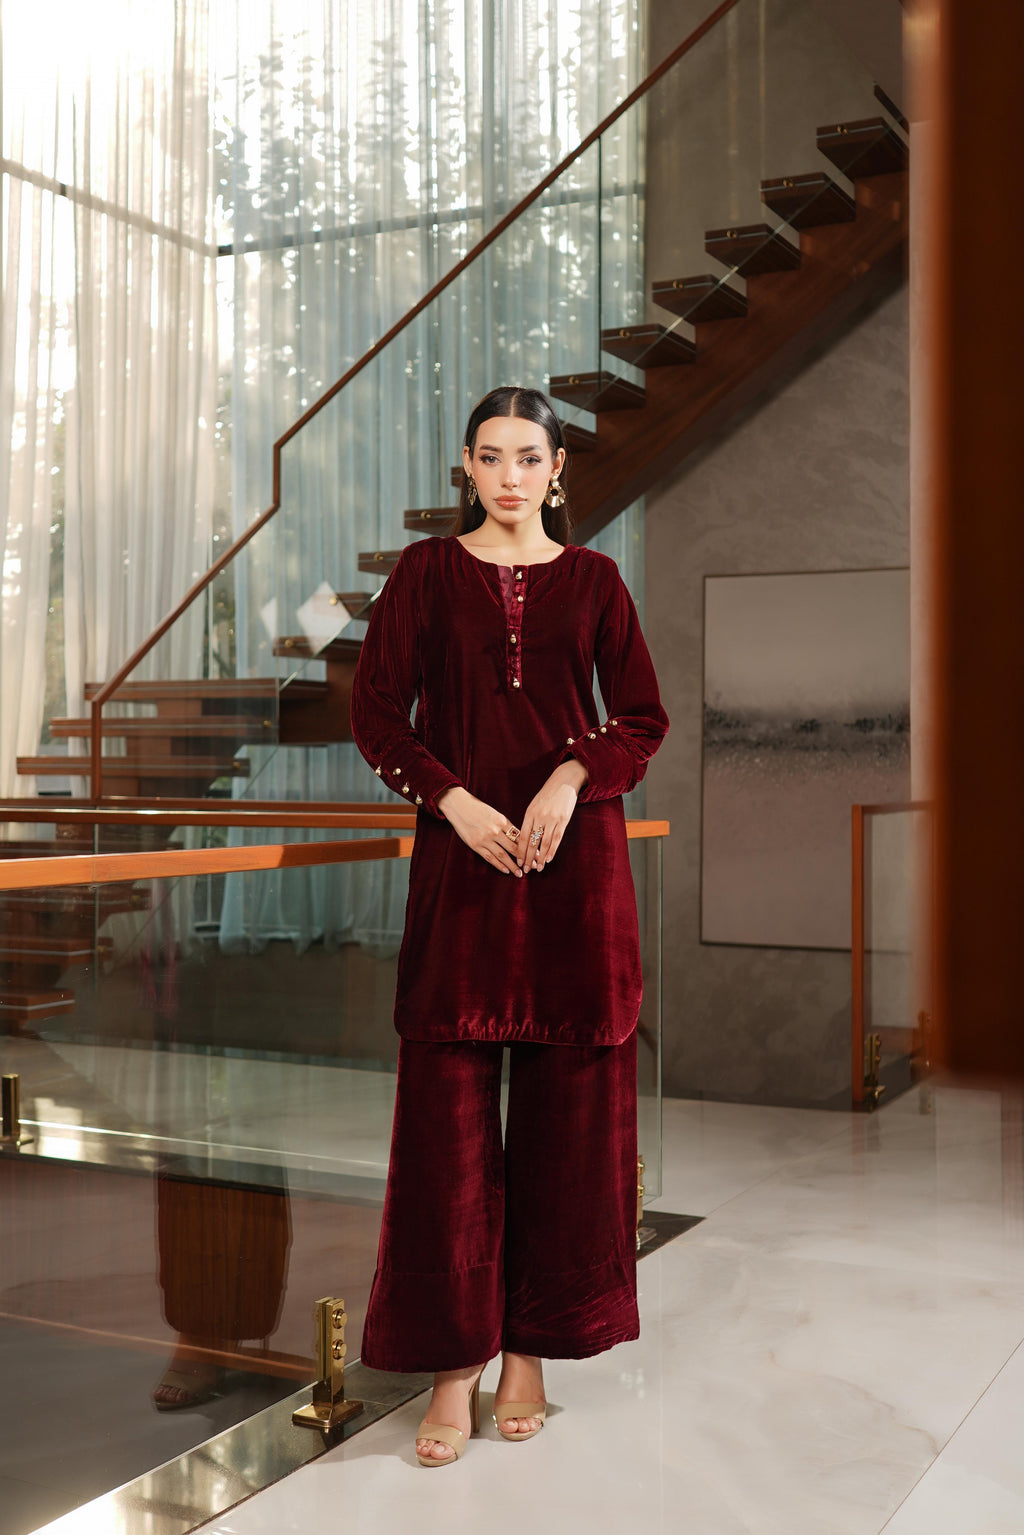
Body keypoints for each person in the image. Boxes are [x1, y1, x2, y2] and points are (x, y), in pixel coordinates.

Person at [349, 384, 669, 1467]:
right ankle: (454, 1364)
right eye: (489, 457)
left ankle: (529, 1352)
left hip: (574, 879)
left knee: (566, 1138)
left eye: (527, 457)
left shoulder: (596, 582)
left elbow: (641, 716)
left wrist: (575, 774)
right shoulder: (425, 576)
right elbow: (378, 713)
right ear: (468, 468)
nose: (508, 476)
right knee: (445, 1142)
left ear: (558, 468)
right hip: (463, 873)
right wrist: (452, 797)